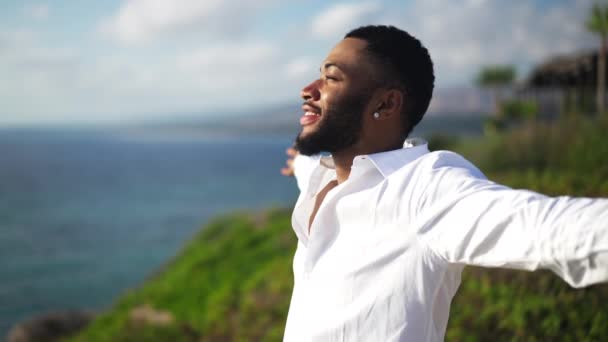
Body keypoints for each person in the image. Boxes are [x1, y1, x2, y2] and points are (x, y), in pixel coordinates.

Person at [279, 25, 608, 341]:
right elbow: (307, 168)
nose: (308, 89)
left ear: (386, 104)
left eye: (331, 78)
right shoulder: (323, 178)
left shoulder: (425, 190)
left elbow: (550, 227)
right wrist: (298, 163)